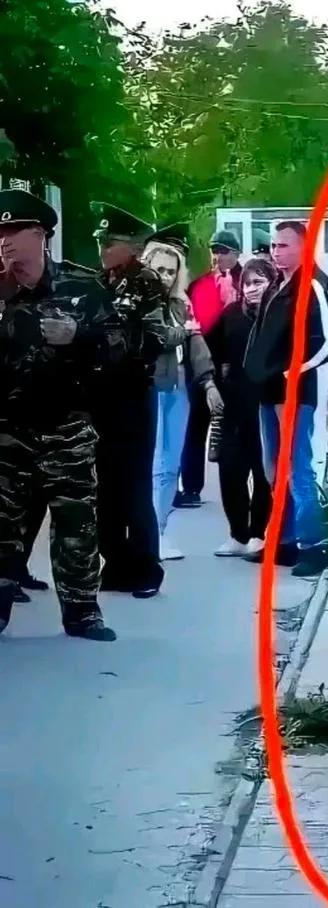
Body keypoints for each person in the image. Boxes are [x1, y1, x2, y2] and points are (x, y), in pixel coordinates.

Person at [0, 189, 116, 640]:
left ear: (41, 235)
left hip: (66, 425)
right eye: (0, 232)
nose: (5, 241)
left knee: (75, 522)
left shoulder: (81, 286)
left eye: (15, 230)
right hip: (7, 427)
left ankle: (82, 612)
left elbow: (121, 348)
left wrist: (78, 336)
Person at [243, 220, 328, 577]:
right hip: (268, 390)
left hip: (293, 391)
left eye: (284, 245)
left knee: (297, 468)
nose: (276, 252)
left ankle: (313, 545)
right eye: (274, 246)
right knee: (273, 470)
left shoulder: (311, 284)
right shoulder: (276, 286)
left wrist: (292, 371)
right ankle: (285, 541)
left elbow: (326, 342)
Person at [89, 201, 169, 599]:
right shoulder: (99, 282)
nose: (102, 248)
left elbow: (155, 337)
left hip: (133, 392)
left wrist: (107, 342)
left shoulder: (145, 281)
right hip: (100, 394)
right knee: (104, 485)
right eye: (101, 241)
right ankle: (116, 563)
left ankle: (146, 567)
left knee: (134, 483)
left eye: (110, 242)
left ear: (132, 246)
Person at [142, 223, 223, 561]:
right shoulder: (139, 300)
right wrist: (184, 332)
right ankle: (145, 534)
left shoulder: (181, 304)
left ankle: (158, 531)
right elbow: (159, 337)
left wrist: (208, 381)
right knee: (152, 463)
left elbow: (196, 343)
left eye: (170, 271)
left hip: (177, 386)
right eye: (159, 269)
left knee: (170, 464)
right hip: (148, 387)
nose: (164, 276)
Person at [206, 257, 275, 557]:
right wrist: (213, 384)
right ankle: (237, 533)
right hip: (234, 405)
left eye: (258, 282)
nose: (251, 289)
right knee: (230, 469)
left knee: (263, 471)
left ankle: (258, 533)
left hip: (267, 405)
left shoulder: (277, 315)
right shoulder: (231, 314)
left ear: (271, 283)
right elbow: (210, 349)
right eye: (247, 283)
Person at [175, 229, 242, 509]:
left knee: (234, 430)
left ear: (236, 254)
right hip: (202, 365)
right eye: (214, 250)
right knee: (195, 427)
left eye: (223, 251)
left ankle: (237, 487)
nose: (217, 256)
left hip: (236, 367)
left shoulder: (247, 281)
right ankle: (191, 487)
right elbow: (193, 327)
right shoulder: (200, 285)